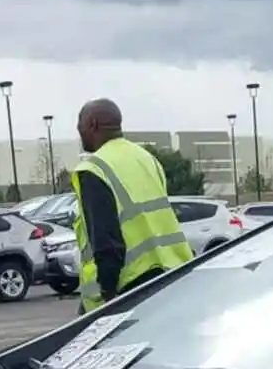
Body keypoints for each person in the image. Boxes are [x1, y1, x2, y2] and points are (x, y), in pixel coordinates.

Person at [69, 98, 193, 312]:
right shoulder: (146, 159)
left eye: (80, 125)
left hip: (128, 288)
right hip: (171, 275)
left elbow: (106, 242)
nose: (79, 131)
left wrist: (108, 298)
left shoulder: (93, 169)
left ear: (93, 124)